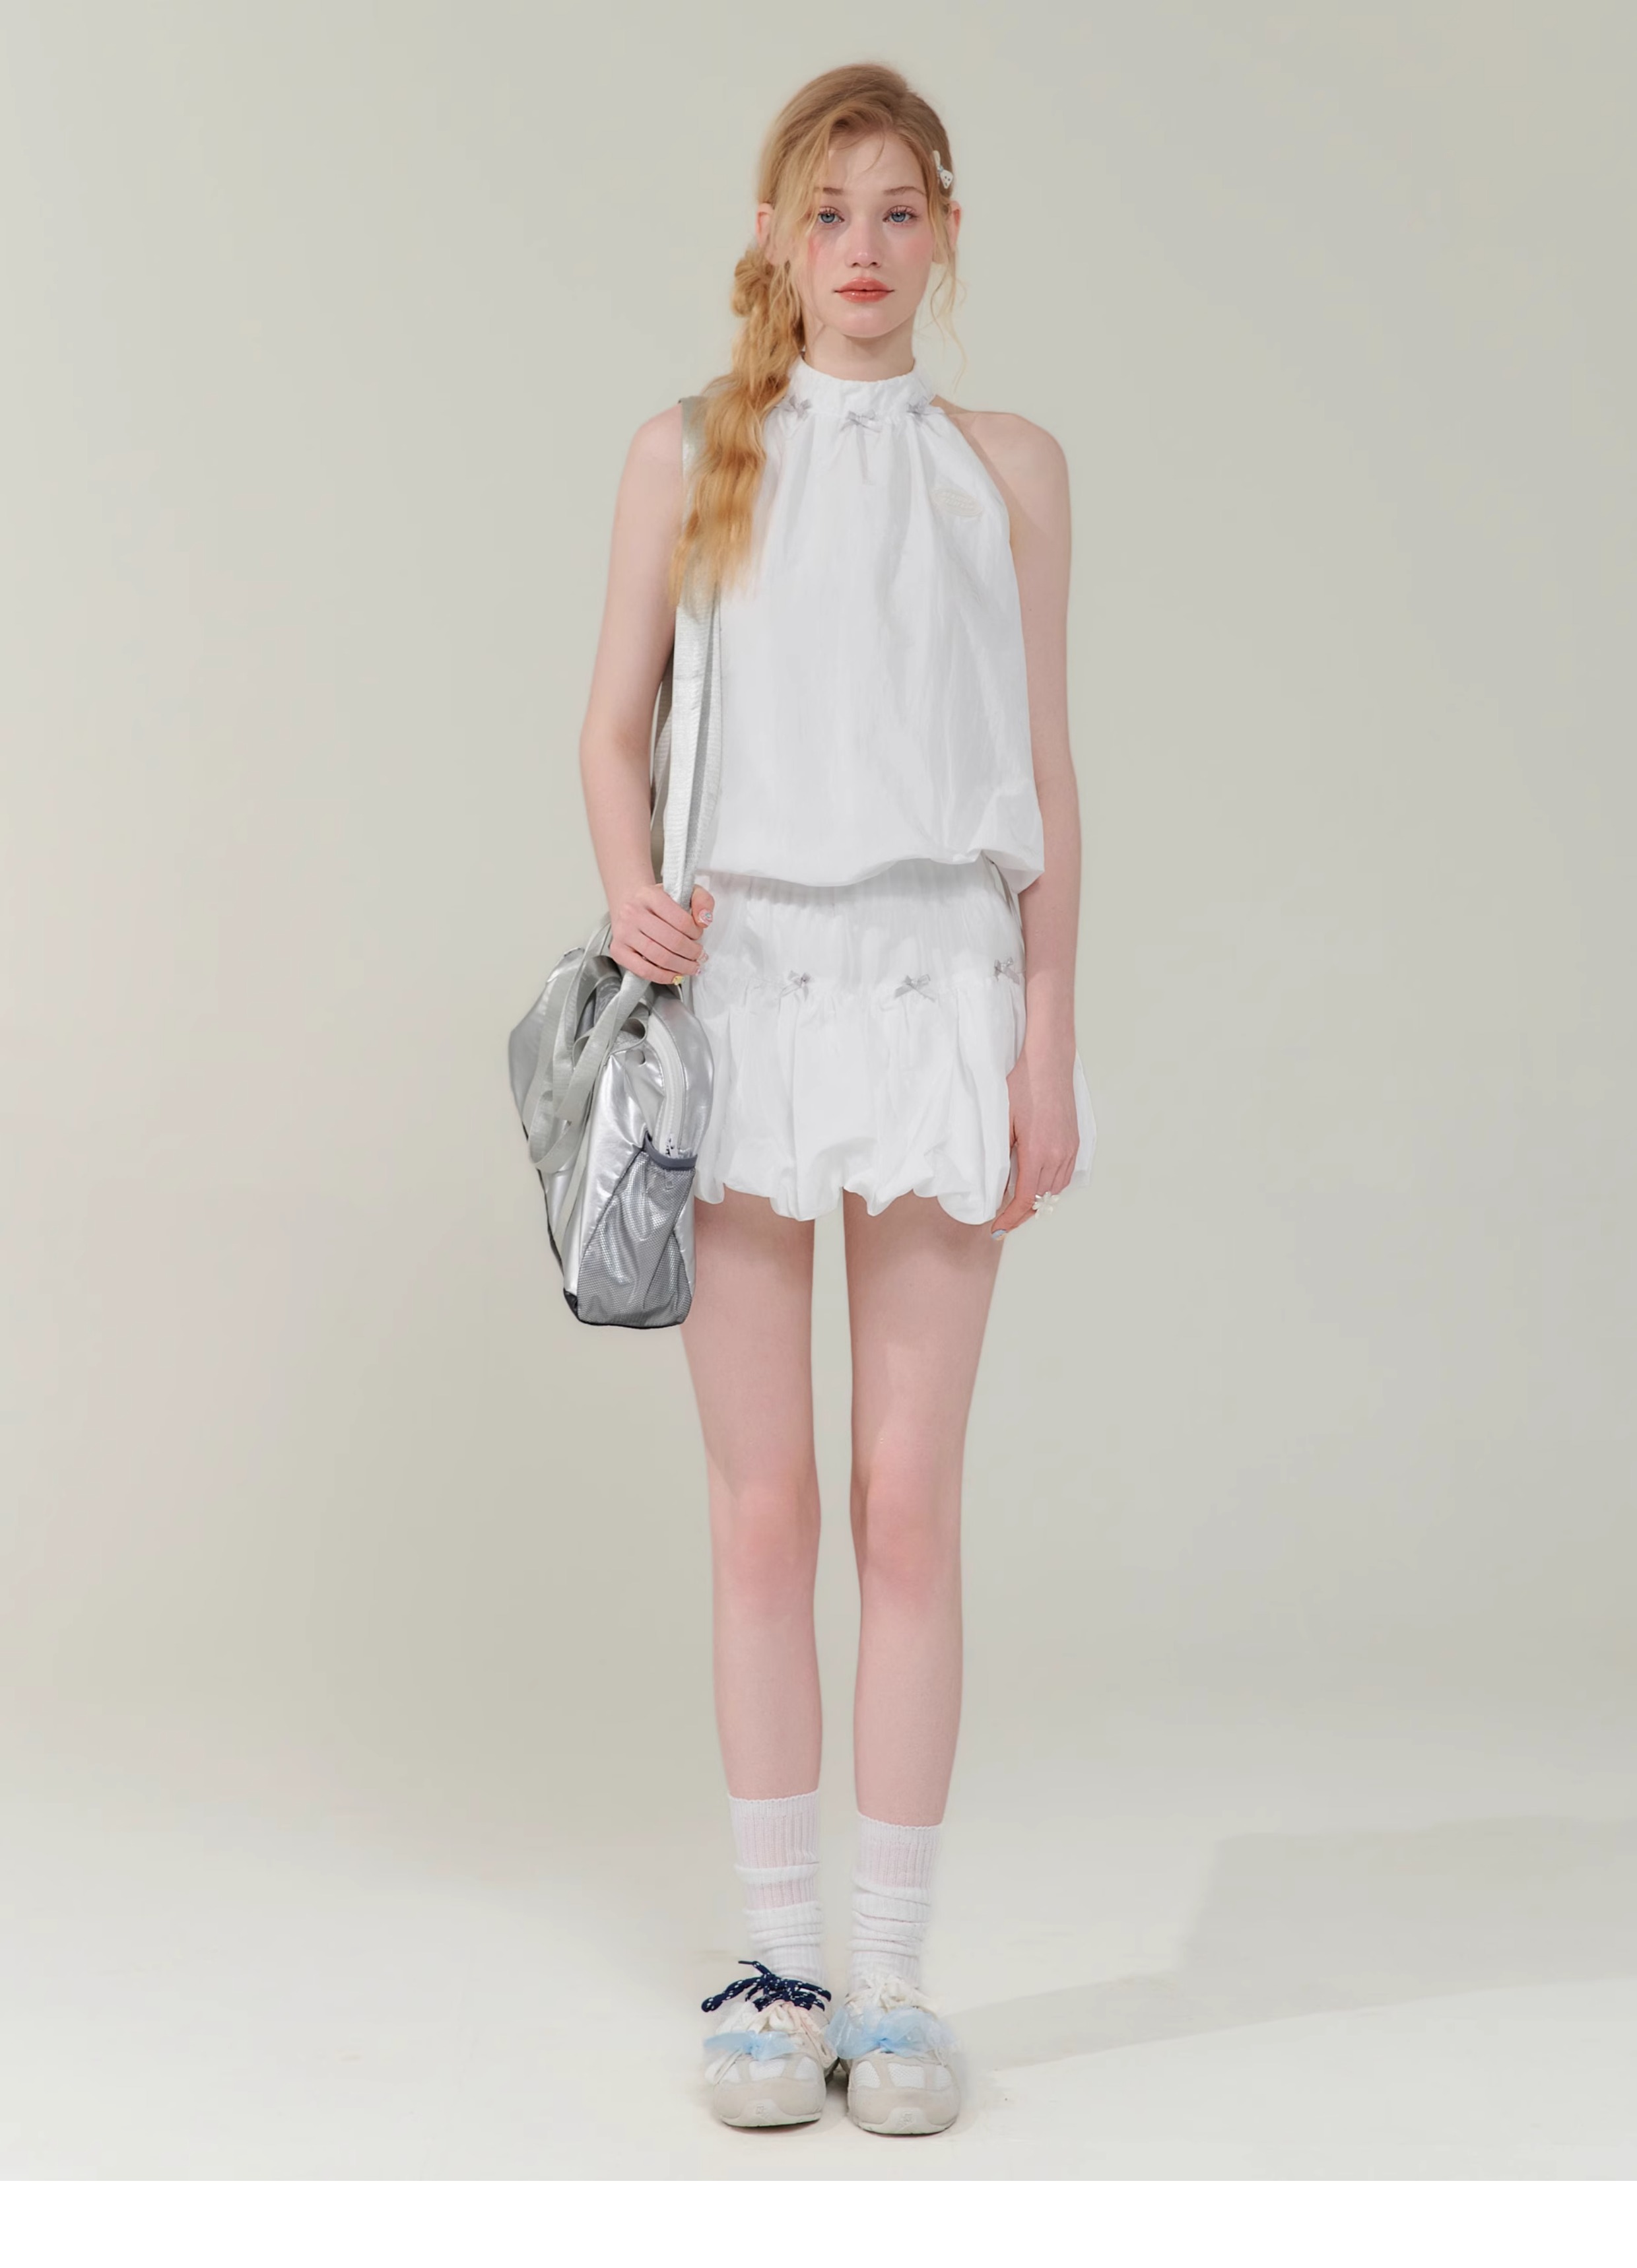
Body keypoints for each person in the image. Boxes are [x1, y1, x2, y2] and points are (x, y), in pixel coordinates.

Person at [576, 61, 1095, 2137]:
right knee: (764, 1505)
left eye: (897, 210)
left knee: (906, 1501)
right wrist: (629, 884)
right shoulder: (688, 450)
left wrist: (1048, 1040)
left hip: (940, 985)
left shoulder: (1011, 467)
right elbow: (611, 723)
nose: (862, 248)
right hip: (744, 994)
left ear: (946, 231)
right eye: (826, 211)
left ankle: (890, 1980)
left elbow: (1045, 773)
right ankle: (774, 1967)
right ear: (775, 238)